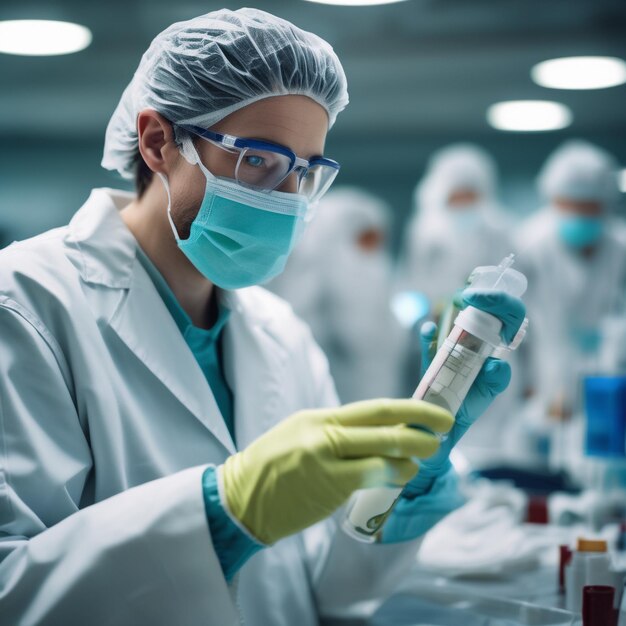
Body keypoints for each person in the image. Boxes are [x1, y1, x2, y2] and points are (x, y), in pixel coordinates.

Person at [0, 9, 524, 625]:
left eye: (306, 172)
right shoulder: (27, 304)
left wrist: (400, 486)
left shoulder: (281, 333)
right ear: (157, 142)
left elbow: (326, 593)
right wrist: (222, 515)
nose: (286, 199)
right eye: (258, 161)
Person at [515, 140, 626, 470]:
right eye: (570, 204)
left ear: (605, 204)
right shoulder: (528, 242)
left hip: (610, 376)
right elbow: (510, 323)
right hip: (543, 370)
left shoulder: (620, 247)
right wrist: (526, 385)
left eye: (588, 206)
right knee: (541, 462)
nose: (579, 214)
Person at [268, 186, 407, 403]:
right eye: (362, 240)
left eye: (374, 241)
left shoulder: (376, 272)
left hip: (380, 395)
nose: (369, 252)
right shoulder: (306, 284)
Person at [397, 143, 514, 318]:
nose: (463, 203)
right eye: (457, 196)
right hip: (436, 317)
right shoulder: (425, 232)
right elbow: (412, 278)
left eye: (470, 195)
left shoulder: (500, 230)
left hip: (486, 319)